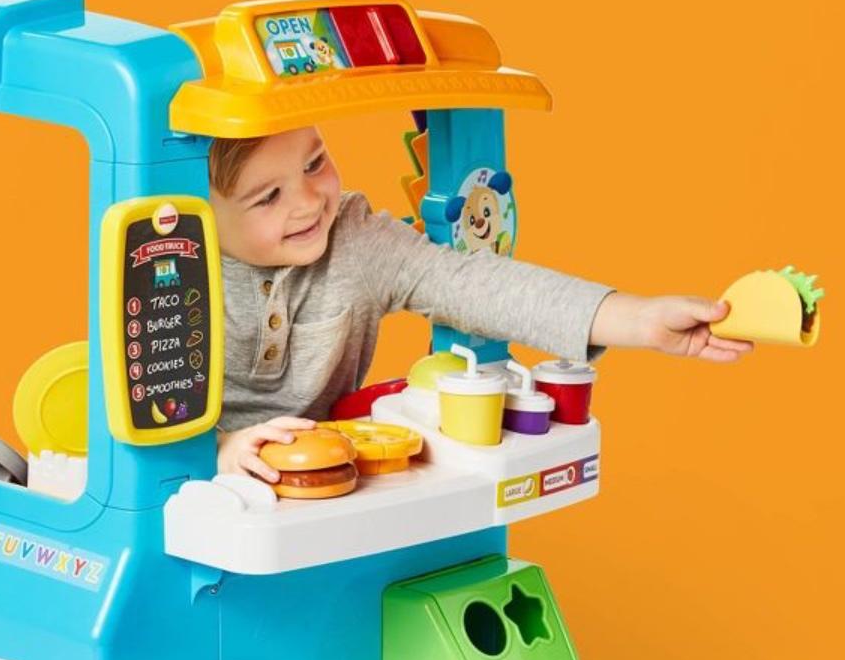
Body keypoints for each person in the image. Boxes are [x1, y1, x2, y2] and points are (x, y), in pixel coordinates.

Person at [209, 126, 752, 484]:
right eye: (268, 197)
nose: (308, 201)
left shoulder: (353, 240)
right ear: (201, 209)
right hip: (183, 493)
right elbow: (125, 405)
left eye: (315, 163)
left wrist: (639, 318)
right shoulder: (167, 264)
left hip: (326, 490)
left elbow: (476, 285)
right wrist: (219, 451)